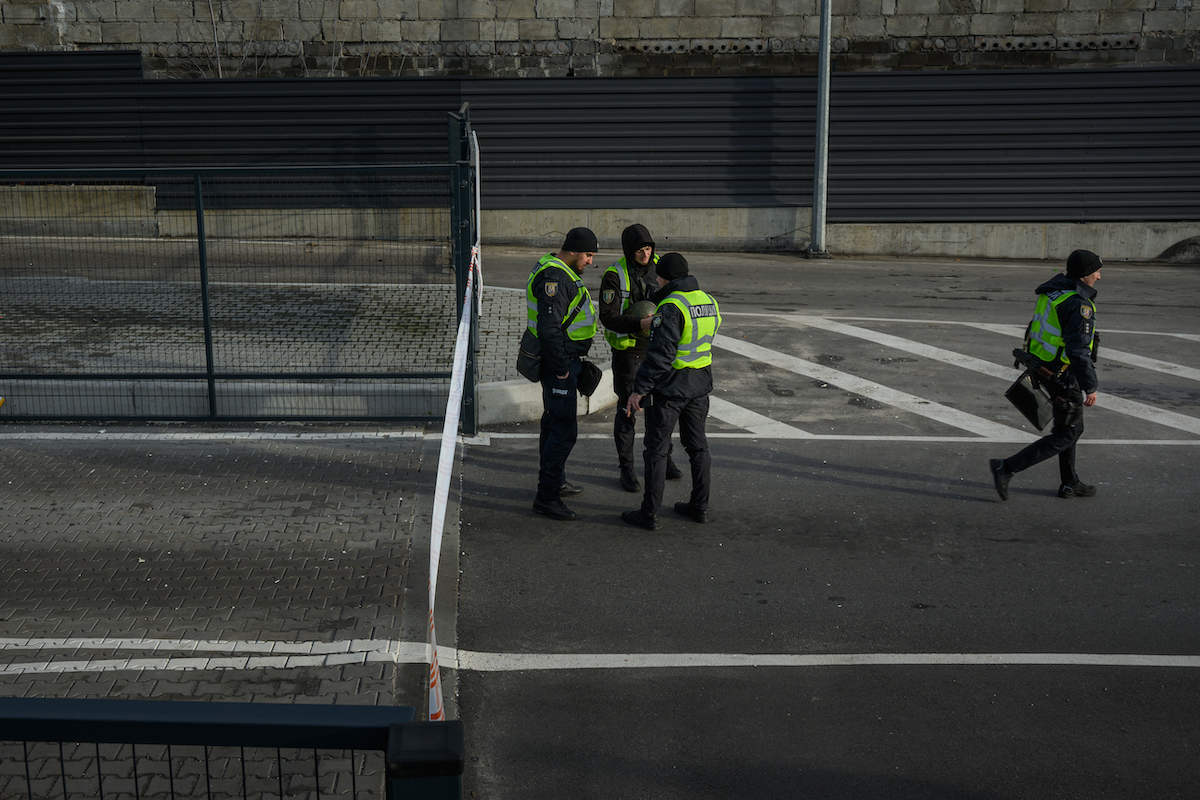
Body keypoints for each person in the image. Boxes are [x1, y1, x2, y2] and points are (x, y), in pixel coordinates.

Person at [991, 249, 1103, 501]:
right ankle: (1006, 467)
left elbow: (1036, 329)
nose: (1099, 276)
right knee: (1067, 433)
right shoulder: (1077, 304)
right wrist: (1091, 386)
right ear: (1085, 275)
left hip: (1043, 368)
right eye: (1097, 271)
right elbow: (1078, 350)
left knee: (1072, 427)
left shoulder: (1053, 292)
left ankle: (1070, 483)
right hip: (1063, 376)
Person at [621, 253, 721, 531]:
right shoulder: (708, 300)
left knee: (656, 450)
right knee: (698, 447)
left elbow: (661, 356)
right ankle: (699, 506)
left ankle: (649, 513)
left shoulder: (671, 306)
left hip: (670, 388)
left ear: (663, 277)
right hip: (700, 386)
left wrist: (638, 390)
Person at [599, 223, 682, 493]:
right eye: (639, 250)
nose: (645, 254)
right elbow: (608, 316)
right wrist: (640, 324)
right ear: (628, 251)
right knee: (628, 411)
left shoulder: (662, 267)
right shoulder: (615, 276)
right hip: (629, 353)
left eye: (648, 248)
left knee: (662, 410)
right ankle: (627, 469)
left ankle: (664, 459)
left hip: (659, 350)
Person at [527, 227, 599, 521]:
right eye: (588, 255)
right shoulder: (554, 277)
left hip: (564, 361)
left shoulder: (556, 270)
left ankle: (554, 483)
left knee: (553, 423)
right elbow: (549, 329)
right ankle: (547, 498)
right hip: (560, 364)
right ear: (572, 251)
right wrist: (559, 371)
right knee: (563, 429)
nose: (591, 262)